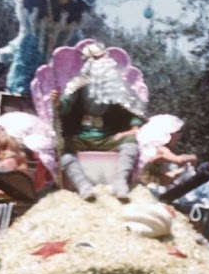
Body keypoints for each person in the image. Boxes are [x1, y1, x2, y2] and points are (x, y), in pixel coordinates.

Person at [57, 42, 146, 201]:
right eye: (100, 58)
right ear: (89, 63)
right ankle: (83, 186)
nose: (106, 62)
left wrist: (133, 128)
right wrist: (57, 103)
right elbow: (65, 106)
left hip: (107, 136)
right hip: (81, 136)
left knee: (130, 142)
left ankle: (120, 183)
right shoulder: (77, 84)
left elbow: (133, 108)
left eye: (105, 57)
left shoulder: (117, 85)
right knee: (63, 148)